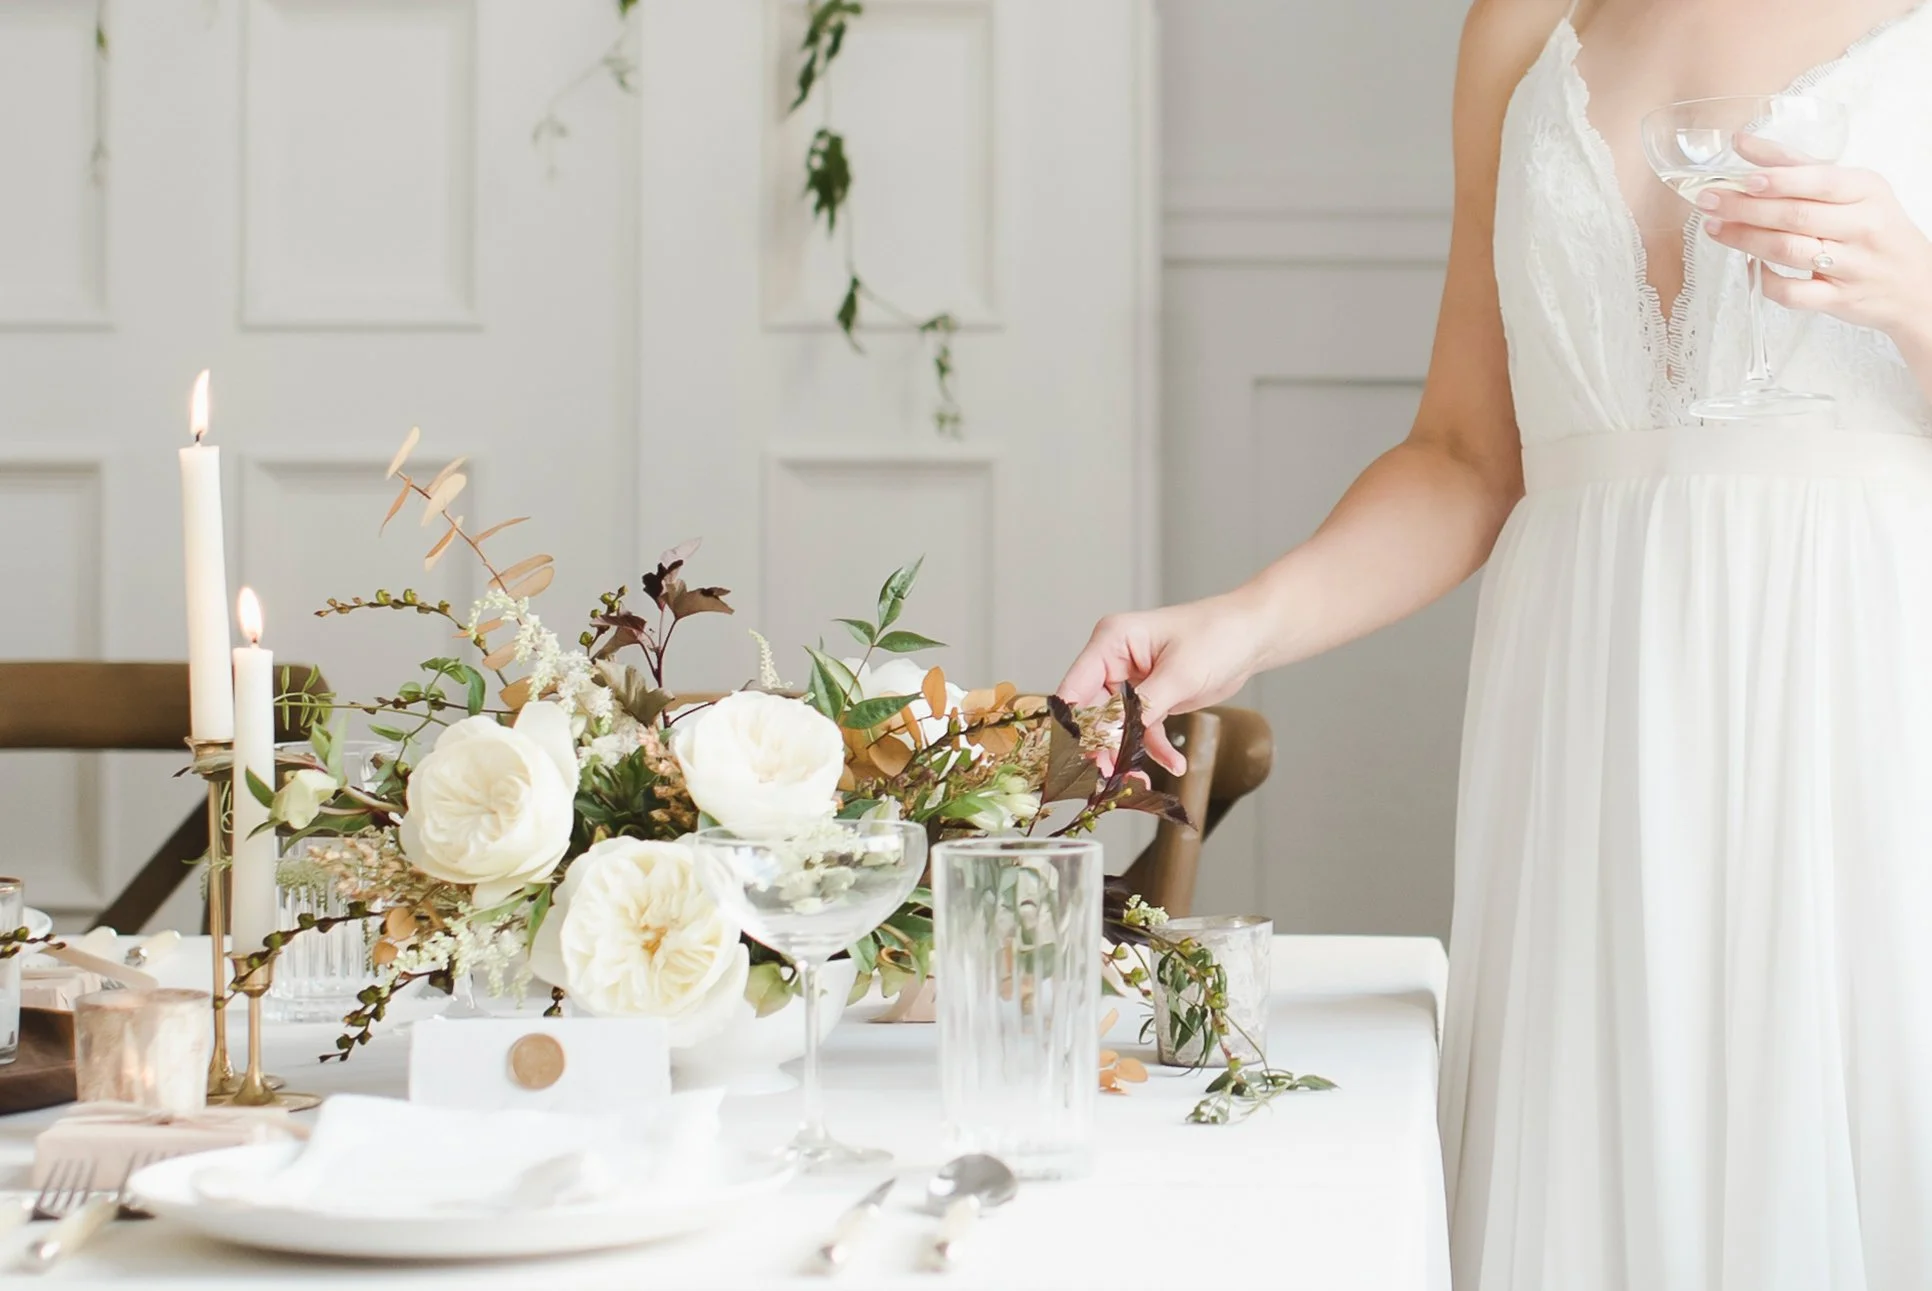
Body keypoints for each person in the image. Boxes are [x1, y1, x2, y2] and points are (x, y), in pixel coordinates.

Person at [1059, 1, 1932, 1286]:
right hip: (1589, 732)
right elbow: (1469, 455)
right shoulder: (1520, 28)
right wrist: (1244, 622)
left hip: (1856, 705)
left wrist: (1921, 294)